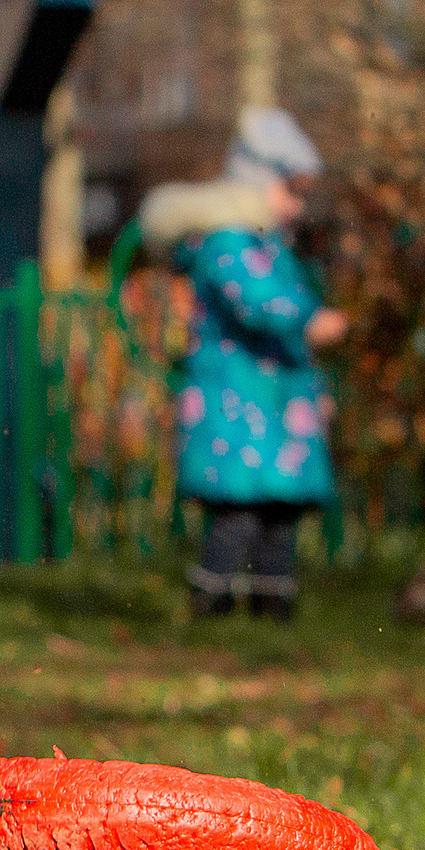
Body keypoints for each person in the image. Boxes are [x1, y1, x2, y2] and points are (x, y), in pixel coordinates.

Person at [139, 107, 349, 620]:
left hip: (276, 404)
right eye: (290, 191)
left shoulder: (269, 246)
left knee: (279, 513)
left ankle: (273, 604)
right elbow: (254, 303)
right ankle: (212, 601)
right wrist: (306, 319)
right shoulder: (227, 243)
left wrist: (315, 387)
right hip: (239, 403)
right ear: (257, 184)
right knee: (238, 514)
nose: (297, 207)